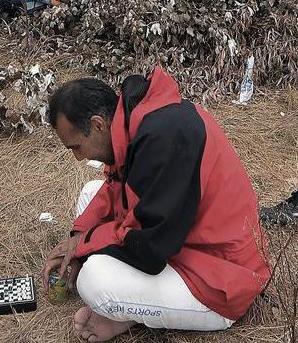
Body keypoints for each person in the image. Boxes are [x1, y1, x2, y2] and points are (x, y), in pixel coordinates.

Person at [41, 69, 270, 342]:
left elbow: (149, 251)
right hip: (185, 243)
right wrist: (78, 237)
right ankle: (129, 312)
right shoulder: (135, 118)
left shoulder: (163, 141)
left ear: (98, 124)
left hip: (221, 280)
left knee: (93, 282)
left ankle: (125, 311)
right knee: (90, 193)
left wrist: (86, 244)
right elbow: (115, 186)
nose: (78, 158)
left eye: (76, 147)